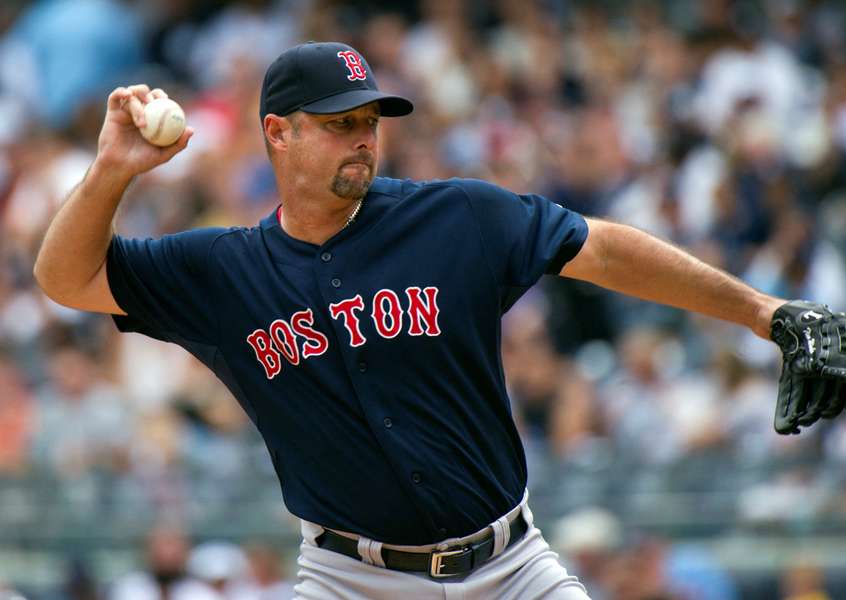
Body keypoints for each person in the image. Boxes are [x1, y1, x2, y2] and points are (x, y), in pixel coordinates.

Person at [34, 41, 790, 598]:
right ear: (277, 133)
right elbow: (65, 278)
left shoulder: (454, 216)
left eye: (370, 119)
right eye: (337, 122)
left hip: (509, 567)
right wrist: (111, 172)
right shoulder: (222, 272)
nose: (363, 136)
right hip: (347, 579)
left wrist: (763, 312)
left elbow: (608, 252)